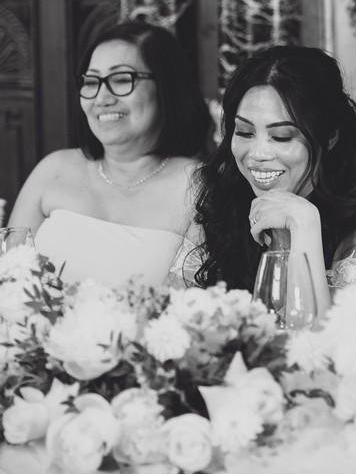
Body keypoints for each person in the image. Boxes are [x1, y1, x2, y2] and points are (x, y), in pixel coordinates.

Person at [192, 45, 356, 314]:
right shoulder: (216, 209)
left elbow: (324, 340)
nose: (257, 154)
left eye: (281, 137)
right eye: (244, 132)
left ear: (329, 136)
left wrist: (303, 224)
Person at [9, 20, 212, 289]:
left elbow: (191, 304)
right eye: (91, 81)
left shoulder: (199, 186)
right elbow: (7, 279)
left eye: (121, 79)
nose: (101, 98)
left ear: (166, 87)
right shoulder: (54, 169)